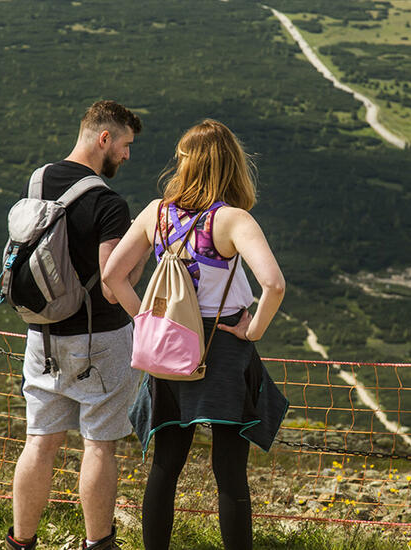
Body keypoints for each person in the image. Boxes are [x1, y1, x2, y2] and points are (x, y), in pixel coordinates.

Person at [103, 119, 288, 550]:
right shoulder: (231, 220)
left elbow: (113, 275)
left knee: (166, 465)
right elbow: (274, 285)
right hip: (222, 345)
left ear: (187, 164)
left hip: (169, 343)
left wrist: (145, 321)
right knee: (229, 470)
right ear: (229, 165)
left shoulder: (156, 212)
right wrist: (253, 328)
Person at [8, 100, 146, 550]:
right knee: (98, 446)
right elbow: (111, 284)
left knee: (40, 442)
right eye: (125, 145)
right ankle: (98, 544)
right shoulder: (109, 203)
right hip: (100, 340)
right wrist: (142, 253)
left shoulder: (39, 180)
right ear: (104, 138)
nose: (126, 155)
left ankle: (21, 541)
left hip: (42, 334)